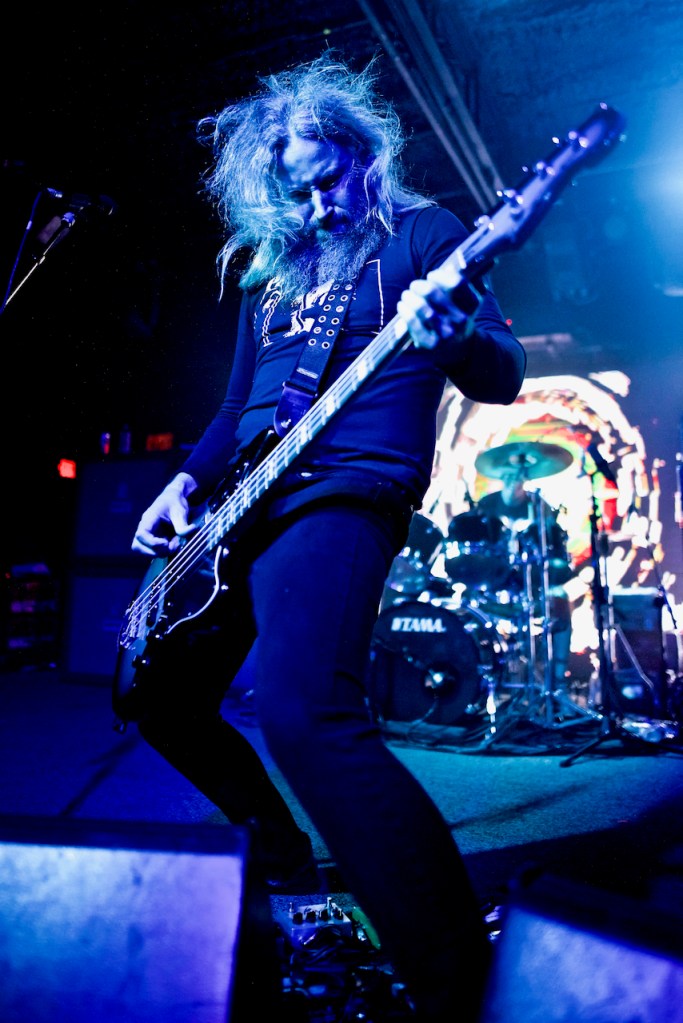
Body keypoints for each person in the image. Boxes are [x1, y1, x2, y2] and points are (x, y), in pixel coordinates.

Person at [125, 54, 526, 1023]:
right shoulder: (273, 272)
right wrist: (184, 483)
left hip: (346, 489)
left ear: (364, 152)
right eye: (296, 193)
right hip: (242, 505)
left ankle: (459, 983)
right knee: (153, 694)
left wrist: (450, 334)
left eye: (329, 180)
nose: (318, 206)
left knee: (305, 713)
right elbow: (236, 409)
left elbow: (503, 371)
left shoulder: (424, 234)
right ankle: (283, 861)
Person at [476, 472, 572, 687]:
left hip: (530, 577)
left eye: (518, 478)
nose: (513, 482)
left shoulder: (539, 505)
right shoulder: (487, 504)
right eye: (509, 476)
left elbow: (551, 545)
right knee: (469, 597)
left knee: (560, 600)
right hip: (494, 577)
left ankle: (558, 682)